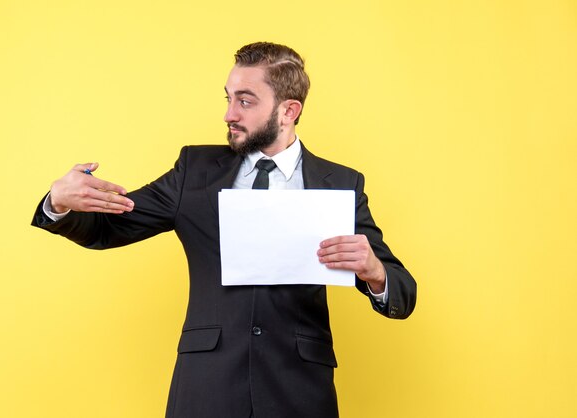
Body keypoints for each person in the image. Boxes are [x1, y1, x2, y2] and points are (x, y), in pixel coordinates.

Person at [31, 42, 417, 418]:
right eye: (228, 98)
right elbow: (109, 228)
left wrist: (375, 272)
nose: (229, 114)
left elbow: (402, 290)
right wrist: (59, 202)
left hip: (299, 390)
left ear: (288, 111)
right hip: (207, 386)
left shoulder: (340, 183)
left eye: (245, 101)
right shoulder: (193, 171)